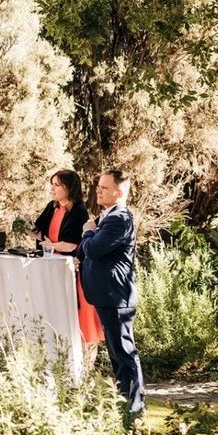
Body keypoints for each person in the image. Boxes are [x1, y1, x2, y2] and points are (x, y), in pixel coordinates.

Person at [80, 169, 145, 419]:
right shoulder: (107, 217)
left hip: (116, 297)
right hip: (106, 295)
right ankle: (124, 400)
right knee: (118, 353)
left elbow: (94, 250)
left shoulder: (119, 219)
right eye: (98, 186)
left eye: (104, 187)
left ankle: (134, 406)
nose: (98, 190)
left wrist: (88, 231)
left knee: (124, 352)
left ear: (120, 192)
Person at [34, 168, 105, 358]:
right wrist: (27, 229)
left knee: (84, 319)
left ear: (69, 188)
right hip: (53, 268)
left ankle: (88, 366)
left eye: (57, 185)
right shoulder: (52, 207)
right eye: (52, 184)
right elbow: (41, 234)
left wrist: (52, 244)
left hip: (74, 269)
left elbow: (73, 244)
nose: (52, 188)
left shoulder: (78, 211)